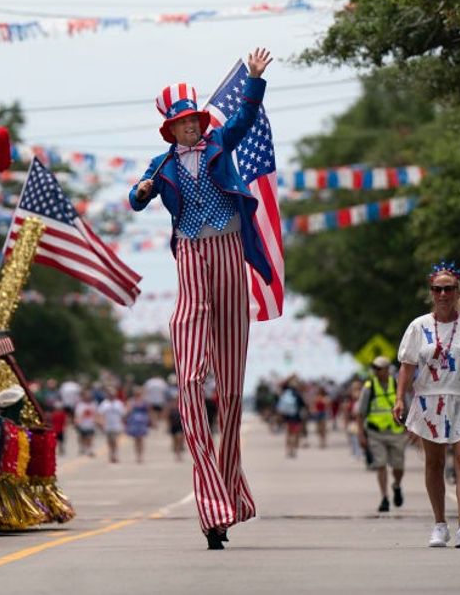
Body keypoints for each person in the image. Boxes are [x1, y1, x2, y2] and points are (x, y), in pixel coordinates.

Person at [127, 47, 273, 550]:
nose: (189, 129)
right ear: (170, 129)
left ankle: (229, 497)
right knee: (190, 377)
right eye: (181, 124)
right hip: (191, 250)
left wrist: (254, 80)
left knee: (230, 390)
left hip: (230, 248)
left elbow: (245, 118)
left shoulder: (219, 143)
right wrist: (143, 190)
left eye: (193, 121)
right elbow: (135, 197)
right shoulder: (162, 161)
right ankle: (209, 497)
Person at [392, 261, 460, 549]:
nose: (443, 294)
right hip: (429, 401)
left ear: (457, 291)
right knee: (435, 463)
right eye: (437, 289)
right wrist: (398, 399)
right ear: (431, 292)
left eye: (448, 289)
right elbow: (406, 366)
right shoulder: (419, 327)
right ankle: (440, 524)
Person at [357, 357, 407, 512]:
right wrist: (361, 435)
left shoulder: (398, 385)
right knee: (380, 464)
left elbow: (409, 406)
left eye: (380, 368)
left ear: (387, 370)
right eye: (375, 369)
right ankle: (384, 497)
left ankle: (396, 485)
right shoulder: (369, 386)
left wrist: (412, 429)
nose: (377, 371)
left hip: (396, 432)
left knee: (398, 466)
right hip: (375, 433)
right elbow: (360, 413)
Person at [276, 378, 307, 459]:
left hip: (287, 418)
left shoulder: (285, 394)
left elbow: (280, 406)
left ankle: (287, 451)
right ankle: (293, 451)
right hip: (296, 418)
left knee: (288, 434)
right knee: (295, 434)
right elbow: (303, 406)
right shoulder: (298, 395)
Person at [124, 387, 152, 463]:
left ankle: (141, 455)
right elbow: (128, 411)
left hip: (142, 421)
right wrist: (125, 420)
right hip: (134, 421)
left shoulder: (145, 401)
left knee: (141, 439)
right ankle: (137, 455)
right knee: (136, 439)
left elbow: (149, 411)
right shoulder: (131, 401)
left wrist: (150, 420)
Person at [98, 390, 125, 464]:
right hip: (107, 425)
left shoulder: (119, 404)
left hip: (117, 425)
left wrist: (124, 424)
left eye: (112, 394)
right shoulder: (104, 404)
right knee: (110, 441)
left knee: (115, 440)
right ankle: (111, 453)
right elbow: (100, 414)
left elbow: (123, 414)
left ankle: (115, 454)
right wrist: (101, 423)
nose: (111, 396)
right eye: (110, 394)